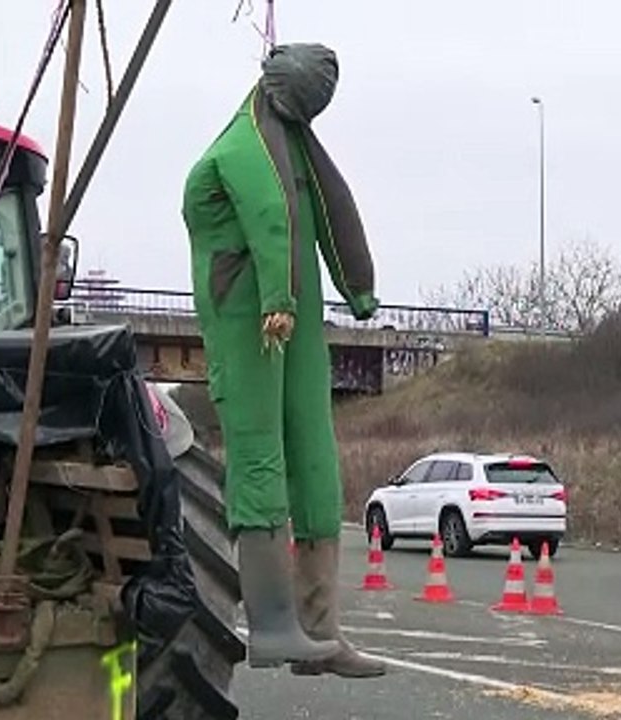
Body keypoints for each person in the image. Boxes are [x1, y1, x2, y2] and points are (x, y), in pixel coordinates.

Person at [181, 43, 385, 677]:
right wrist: (275, 298)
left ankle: (319, 631)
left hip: (294, 314)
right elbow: (270, 219)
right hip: (249, 315)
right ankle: (271, 623)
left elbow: (323, 214)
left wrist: (356, 290)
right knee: (259, 452)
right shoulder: (242, 150)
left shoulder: (292, 145)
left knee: (316, 456)